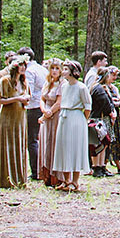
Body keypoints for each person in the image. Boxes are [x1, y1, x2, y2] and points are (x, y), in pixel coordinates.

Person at [0, 59, 28, 189]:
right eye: (20, 65)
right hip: (8, 117)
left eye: (25, 66)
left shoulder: (24, 82)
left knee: (19, 144)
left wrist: (25, 100)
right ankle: (5, 178)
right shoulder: (5, 81)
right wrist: (17, 98)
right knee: (8, 145)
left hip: (20, 117)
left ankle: (19, 178)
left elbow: (26, 98)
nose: (23, 68)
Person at [53, 60, 91, 192]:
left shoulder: (81, 87)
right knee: (63, 147)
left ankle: (75, 181)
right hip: (64, 117)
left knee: (74, 148)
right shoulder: (63, 86)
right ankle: (65, 179)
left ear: (73, 71)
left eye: (65, 69)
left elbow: (87, 106)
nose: (63, 72)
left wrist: (82, 120)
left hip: (76, 118)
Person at [21, 48, 47, 180]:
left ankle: (36, 171)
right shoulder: (42, 69)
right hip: (42, 105)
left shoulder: (30, 71)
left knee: (32, 140)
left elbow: (28, 91)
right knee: (38, 138)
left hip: (33, 107)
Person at [38, 59, 63, 186]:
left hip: (56, 116)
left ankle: (55, 176)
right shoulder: (48, 82)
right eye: (52, 68)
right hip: (46, 115)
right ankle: (45, 175)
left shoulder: (62, 84)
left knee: (53, 142)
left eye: (57, 68)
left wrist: (49, 113)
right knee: (45, 143)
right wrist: (44, 111)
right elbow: (42, 99)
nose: (54, 71)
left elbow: (59, 102)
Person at [89, 67, 117, 178]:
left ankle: (101, 166)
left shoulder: (101, 88)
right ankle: (96, 167)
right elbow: (104, 103)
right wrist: (110, 112)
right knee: (97, 145)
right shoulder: (98, 89)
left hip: (102, 119)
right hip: (98, 119)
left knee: (104, 144)